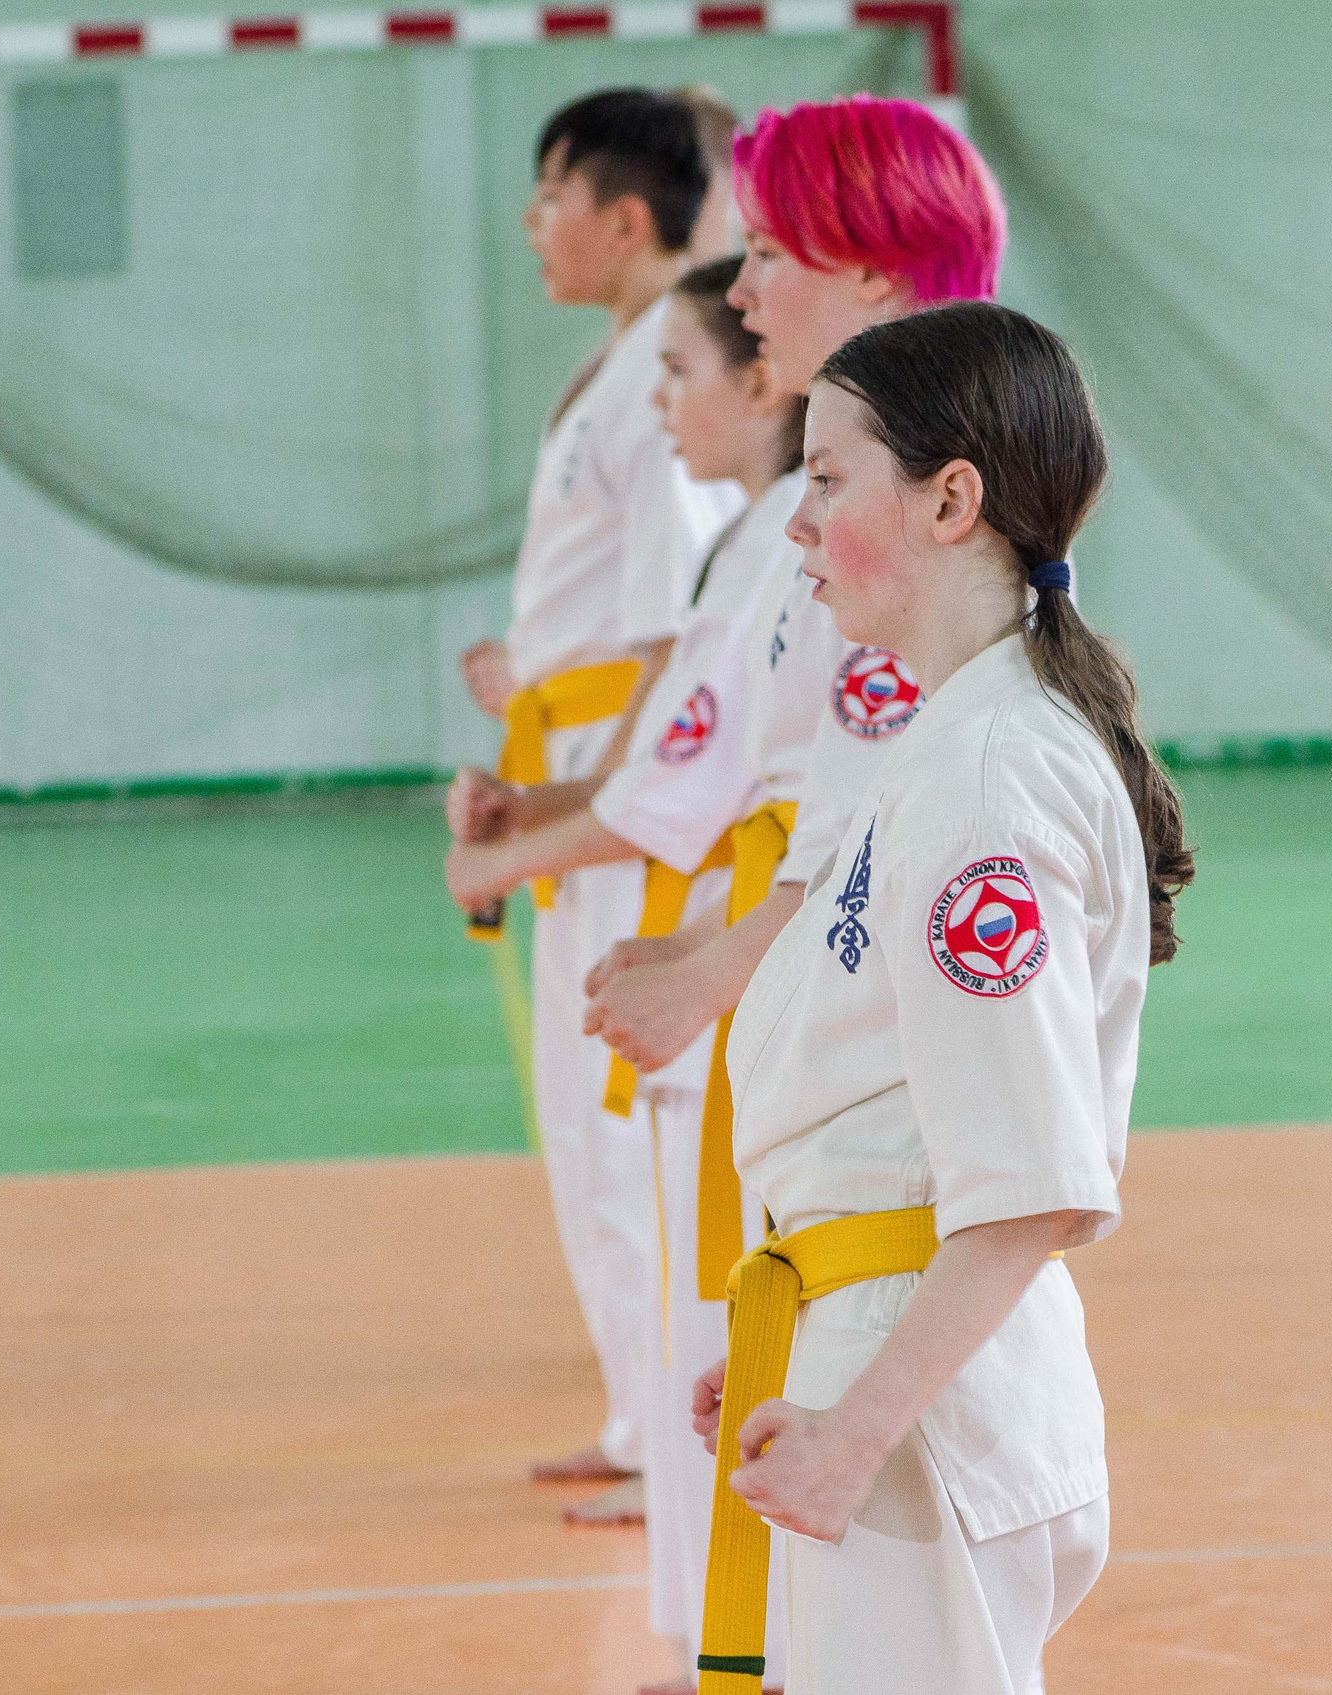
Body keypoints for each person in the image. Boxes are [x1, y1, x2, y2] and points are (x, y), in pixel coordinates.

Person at [691, 302, 1194, 1694]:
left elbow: (1032, 1173)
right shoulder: (950, 739)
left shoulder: (989, 778)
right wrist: (801, 1348)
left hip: (921, 1437)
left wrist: (859, 1424)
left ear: (951, 498)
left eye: (829, 476)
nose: (797, 523)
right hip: (887, 1370)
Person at [446, 255, 801, 1693]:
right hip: (704, 903)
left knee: (719, 1275)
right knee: (677, 1249)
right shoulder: (773, 530)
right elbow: (684, 751)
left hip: (737, 927)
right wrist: (527, 818)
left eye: (683, 371)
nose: (663, 394)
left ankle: (753, 1647)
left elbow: (697, 757)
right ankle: (726, 1646)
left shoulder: (788, 530)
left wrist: (519, 849)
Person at [583, 92, 1008, 1223]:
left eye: (768, 251)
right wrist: (700, 945)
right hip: (816, 989)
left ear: (872, 267)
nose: (740, 289)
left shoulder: (922, 499)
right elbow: (822, 805)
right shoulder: (847, 479)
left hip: (881, 1048)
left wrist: (706, 977)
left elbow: (869, 827)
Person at [455, 87, 743, 1516]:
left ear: (624, 216)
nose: (533, 224)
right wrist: (532, 680)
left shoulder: (667, 373)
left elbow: (672, 633)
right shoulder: (627, 364)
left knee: (636, 1125)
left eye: (549, 195)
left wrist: (569, 799)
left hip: (629, 811)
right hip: (581, 774)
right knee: (586, 1126)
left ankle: (677, 1443)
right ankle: (642, 1415)